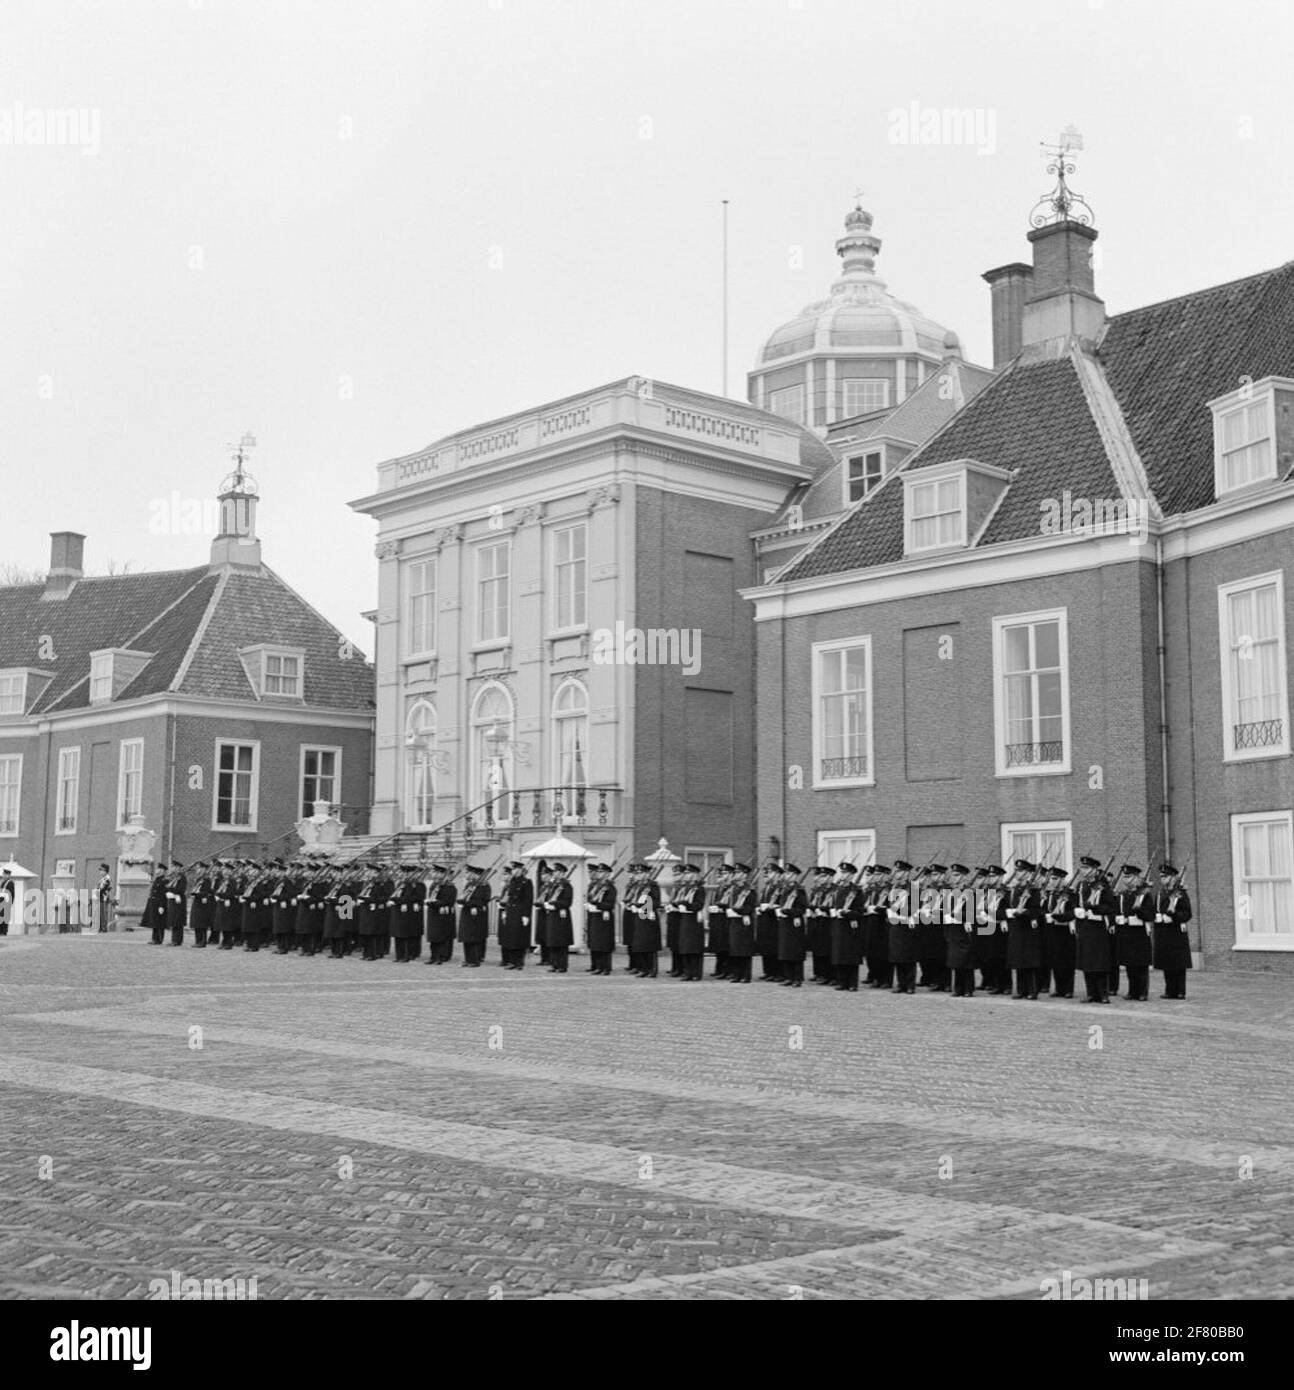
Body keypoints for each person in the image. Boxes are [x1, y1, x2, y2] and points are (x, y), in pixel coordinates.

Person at [1072, 856, 1115, 1003]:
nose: (1084, 871)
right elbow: (1075, 903)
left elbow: (1110, 907)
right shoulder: (1081, 885)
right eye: (1082, 868)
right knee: (1087, 961)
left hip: (1098, 927)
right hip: (1085, 927)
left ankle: (1103, 994)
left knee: (1099, 961)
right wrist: (1077, 912)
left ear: (1095, 869)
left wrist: (1095, 909)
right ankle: (1091, 993)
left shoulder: (1103, 886)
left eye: (1087, 868)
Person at [1152, 863, 1193, 999]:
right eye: (1161, 877)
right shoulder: (1160, 894)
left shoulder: (1181, 894)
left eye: (1165, 877)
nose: (1162, 879)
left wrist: (1174, 917)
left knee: (1178, 963)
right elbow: (1155, 909)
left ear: (1173, 877)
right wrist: (1157, 917)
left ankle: (1180, 991)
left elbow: (1187, 914)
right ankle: (1169, 990)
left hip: (1175, 932)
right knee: (1167, 962)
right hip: (1163, 931)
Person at [1004, 859, 1042, 1000]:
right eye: (1017, 870)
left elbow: (1037, 909)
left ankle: (1032, 990)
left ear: (1028, 873)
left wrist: (1024, 913)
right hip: (1016, 927)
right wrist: (1009, 912)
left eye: (1020, 871)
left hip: (1027, 927)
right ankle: (1021, 990)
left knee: (1029, 960)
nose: (1017, 873)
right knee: (1018, 959)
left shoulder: (1033, 889)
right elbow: (1010, 905)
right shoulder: (1015, 888)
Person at [1114, 864, 1153, 1001]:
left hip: (1139, 934)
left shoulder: (1144, 895)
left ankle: (1142, 992)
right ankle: (1132, 991)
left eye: (1129, 877)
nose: (1126, 880)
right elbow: (1118, 912)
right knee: (1130, 965)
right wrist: (1118, 919)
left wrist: (1138, 913)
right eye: (1124, 877)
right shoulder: (1123, 895)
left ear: (1137, 878)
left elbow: (1150, 915)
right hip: (1126, 933)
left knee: (1141, 965)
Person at [831, 861, 866, 992]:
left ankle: (852, 983)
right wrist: (834, 912)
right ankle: (841, 982)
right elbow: (833, 905)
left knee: (851, 955)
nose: (843, 875)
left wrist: (848, 913)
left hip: (850, 926)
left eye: (846, 873)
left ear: (852, 875)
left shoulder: (856, 891)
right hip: (838, 925)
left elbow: (860, 911)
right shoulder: (837, 889)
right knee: (839, 954)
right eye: (842, 872)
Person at [1043, 866, 1077, 998]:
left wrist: (1058, 917)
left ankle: (1068, 989)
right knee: (1055, 959)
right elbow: (1046, 909)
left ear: (1063, 879)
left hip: (1066, 930)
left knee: (1067, 961)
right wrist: (1047, 915)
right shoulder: (1051, 894)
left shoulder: (1070, 894)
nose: (1052, 881)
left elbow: (1072, 912)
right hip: (1053, 930)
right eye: (1051, 878)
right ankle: (1059, 988)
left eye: (1055, 878)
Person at [943, 863, 976, 997]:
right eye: (953, 875)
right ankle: (957, 988)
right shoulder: (950, 894)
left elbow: (973, 912)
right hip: (953, 930)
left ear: (964, 877)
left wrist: (958, 915)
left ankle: (968, 988)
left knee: (967, 961)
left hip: (964, 929)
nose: (954, 878)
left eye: (957, 875)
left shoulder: (970, 893)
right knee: (955, 960)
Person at [775, 866, 809, 987]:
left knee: (795, 951)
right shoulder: (785, 889)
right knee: (785, 950)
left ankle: (797, 978)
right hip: (785, 923)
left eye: (789, 874)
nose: (786, 876)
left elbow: (802, 908)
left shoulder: (799, 890)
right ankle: (788, 977)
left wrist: (787, 912)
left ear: (795, 875)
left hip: (794, 924)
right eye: (785, 873)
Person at [725, 863, 758, 983]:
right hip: (734, 922)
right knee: (735, 949)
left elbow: (750, 907)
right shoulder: (734, 889)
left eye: (738, 873)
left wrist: (736, 911)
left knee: (744, 949)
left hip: (744, 922)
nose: (735, 875)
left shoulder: (749, 890)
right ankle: (736, 974)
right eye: (735, 873)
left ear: (744, 875)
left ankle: (745, 975)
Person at [627, 864, 661, 977]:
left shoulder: (652, 886)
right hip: (640, 915)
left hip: (648, 915)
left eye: (640, 873)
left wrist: (645, 907)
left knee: (649, 943)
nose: (638, 875)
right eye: (637, 873)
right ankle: (644, 968)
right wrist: (633, 905)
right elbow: (637, 900)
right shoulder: (639, 886)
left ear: (647, 874)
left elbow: (656, 902)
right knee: (641, 942)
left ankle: (652, 969)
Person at [499, 861, 534, 969]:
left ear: (520, 870)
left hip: (520, 913)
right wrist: (505, 911)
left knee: (520, 938)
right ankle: (512, 961)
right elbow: (509, 897)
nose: (513, 871)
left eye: (515, 869)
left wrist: (526, 915)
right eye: (512, 869)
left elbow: (528, 900)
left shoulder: (526, 882)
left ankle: (519, 962)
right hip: (511, 912)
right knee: (511, 938)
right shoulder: (512, 881)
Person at [584, 862, 617, 975]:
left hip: (604, 918)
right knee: (596, 942)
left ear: (607, 874)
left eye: (601, 872)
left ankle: (605, 967)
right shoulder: (596, 886)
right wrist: (589, 905)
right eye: (598, 871)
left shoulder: (610, 887)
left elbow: (610, 904)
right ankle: (597, 966)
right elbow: (592, 898)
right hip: (595, 917)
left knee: (604, 943)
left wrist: (597, 906)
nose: (599, 874)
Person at [675, 864, 707, 981]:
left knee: (694, 947)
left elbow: (699, 904)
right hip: (685, 920)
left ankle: (696, 973)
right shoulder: (685, 888)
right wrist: (678, 905)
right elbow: (678, 900)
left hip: (694, 921)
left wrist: (686, 905)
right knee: (685, 946)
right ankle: (687, 972)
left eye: (688, 873)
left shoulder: (699, 889)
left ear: (695, 875)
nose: (686, 875)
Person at [542, 863, 574, 972]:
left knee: (561, 942)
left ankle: (562, 965)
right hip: (552, 915)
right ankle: (554, 964)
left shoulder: (566, 886)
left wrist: (554, 904)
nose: (554, 873)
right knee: (553, 941)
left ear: (562, 873)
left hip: (560, 917)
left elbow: (567, 902)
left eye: (557, 872)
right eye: (554, 872)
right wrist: (546, 904)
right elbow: (549, 897)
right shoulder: (554, 885)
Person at [459, 863, 491, 968]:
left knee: (473, 937)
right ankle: (468, 959)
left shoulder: (484, 886)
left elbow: (482, 900)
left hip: (475, 913)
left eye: (469, 872)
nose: (467, 875)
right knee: (466, 937)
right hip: (467, 911)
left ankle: (475, 960)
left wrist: (469, 904)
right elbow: (465, 896)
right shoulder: (470, 885)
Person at [393, 863, 425, 963]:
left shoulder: (417, 885)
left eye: (406, 873)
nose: (403, 875)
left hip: (410, 912)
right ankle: (400, 955)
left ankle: (410, 953)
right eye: (403, 873)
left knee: (409, 933)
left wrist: (399, 901)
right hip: (399, 911)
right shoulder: (400, 884)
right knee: (399, 933)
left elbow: (413, 898)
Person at [426, 863, 457, 964]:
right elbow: (431, 896)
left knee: (440, 936)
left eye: (437, 873)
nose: (434, 875)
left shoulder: (449, 887)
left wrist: (434, 903)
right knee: (432, 937)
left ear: (442, 874)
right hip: (433, 913)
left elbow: (448, 901)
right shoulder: (434, 885)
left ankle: (441, 956)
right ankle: (433, 956)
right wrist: (429, 901)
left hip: (441, 914)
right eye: (434, 872)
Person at [706, 863, 733, 979]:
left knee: (725, 947)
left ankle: (727, 970)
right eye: (720, 874)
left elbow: (731, 904)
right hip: (717, 920)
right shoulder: (719, 889)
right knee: (718, 946)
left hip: (725, 920)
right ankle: (719, 968)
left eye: (724, 874)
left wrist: (722, 907)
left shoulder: (730, 889)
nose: (720, 876)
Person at [145, 864, 168, 945]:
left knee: (160, 922)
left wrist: (161, 905)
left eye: (158, 869)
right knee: (154, 921)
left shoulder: (164, 880)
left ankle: (159, 939)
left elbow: (163, 894)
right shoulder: (157, 879)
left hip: (159, 903)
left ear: (162, 870)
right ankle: (154, 938)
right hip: (154, 903)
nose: (156, 870)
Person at [95, 863, 115, 933]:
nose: (100, 872)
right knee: (100, 913)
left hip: (104, 898)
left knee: (103, 913)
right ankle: (100, 928)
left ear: (105, 871)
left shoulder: (107, 879)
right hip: (100, 897)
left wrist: (97, 891)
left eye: (101, 870)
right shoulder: (102, 879)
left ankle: (104, 928)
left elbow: (103, 888)